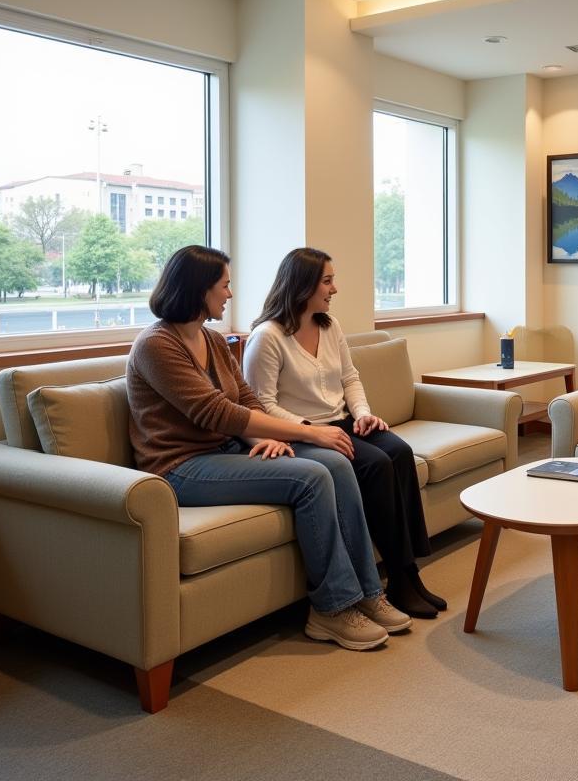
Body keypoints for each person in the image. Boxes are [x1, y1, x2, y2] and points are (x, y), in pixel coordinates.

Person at [127, 245, 411, 652]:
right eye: (224, 286)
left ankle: (368, 592)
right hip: (180, 467)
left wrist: (266, 439)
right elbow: (215, 411)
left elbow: (245, 399)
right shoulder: (156, 345)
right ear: (198, 289)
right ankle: (331, 609)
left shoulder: (209, 338)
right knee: (313, 476)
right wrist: (308, 433)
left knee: (336, 462)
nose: (229, 294)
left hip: (227, 449)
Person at [244, 247, 446, 620]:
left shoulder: (329, 325)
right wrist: (310, 430)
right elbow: (261, 405)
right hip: (301, 434)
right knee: (376, 464)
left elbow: (350, 378)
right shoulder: (267, 337)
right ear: (302, 285)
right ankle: (400, 580)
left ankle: (408, 572)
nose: (334, 289)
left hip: (343, 422)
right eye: (328, 280)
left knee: (399, 452)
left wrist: (365, 414)